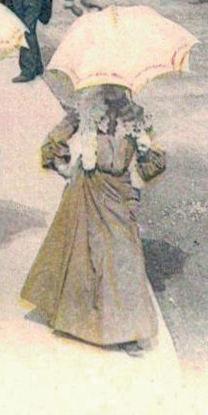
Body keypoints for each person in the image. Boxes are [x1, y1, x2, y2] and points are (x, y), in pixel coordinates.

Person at [22, 85, 166, 352]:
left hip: (119, 193)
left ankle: (127, 329)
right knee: (86, 256)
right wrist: (65, 165)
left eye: (118, 86)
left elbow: (156, 161)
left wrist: (144, 149)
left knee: (124, 258)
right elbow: (52, 143)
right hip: (87, 189)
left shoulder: (137, 117)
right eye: (107, 84)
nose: (113, 91)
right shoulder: (86, 111)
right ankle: (83, 322)